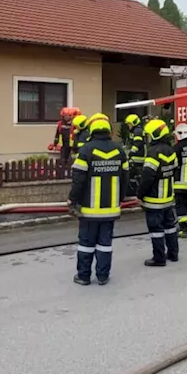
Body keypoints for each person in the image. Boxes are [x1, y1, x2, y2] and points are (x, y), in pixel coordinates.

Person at [67, 116, 127, 285]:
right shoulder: (119, 150)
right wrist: (120, 198)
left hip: (89, 210)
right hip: (110, 209)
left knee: (86, 244)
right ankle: (103, 276)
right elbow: (125, 178)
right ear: (108, 130)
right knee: (105, 244)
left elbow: (78, 180)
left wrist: (72, 199)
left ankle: (84, 276)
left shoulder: (86, 150)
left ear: (92, 131)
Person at [137, 119, 180, 266]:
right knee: (170, 227)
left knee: (156, 230)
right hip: (168, 198)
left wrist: (139, 195)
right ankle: (173, 254)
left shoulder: (153, 153)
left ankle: (159, 258)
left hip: (154, 201)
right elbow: (174, 169)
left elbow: (147, 177)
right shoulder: (170, 150)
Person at [123, 113, 147, 192]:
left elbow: (137, 144)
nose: (128, 126)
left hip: (138, 157)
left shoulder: (137, 131)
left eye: (129, 124)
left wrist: (130, 153)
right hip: (137, 156)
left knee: (129, 172)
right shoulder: (135, 131)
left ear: (134, 122)